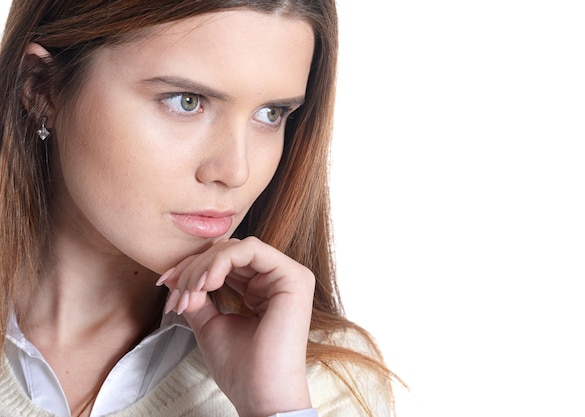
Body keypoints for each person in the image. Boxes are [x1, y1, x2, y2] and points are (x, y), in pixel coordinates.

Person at [0, 1, 399, 416]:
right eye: (187, 101)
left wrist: (274, 406)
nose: (235, 171)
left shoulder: (323, 380)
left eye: (271, 113)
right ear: (41, 87)